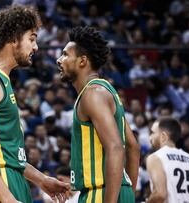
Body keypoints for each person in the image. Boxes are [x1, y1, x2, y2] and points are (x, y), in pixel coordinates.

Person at [0, 5, 70, 203]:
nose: (35, 47)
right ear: (14, 37)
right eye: (32, 39)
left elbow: (6, 154)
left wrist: (41, 180)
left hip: (7, 181)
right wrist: (7, 198)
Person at [56, 26, 140, 203]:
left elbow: (116, 147)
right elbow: (133, 147)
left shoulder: (93, 93)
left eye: (65, 54)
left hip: (101, 193)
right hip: (116, 192)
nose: (59, 60)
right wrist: (128, 193)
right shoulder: (105, 91)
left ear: (82, 61)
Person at [146, 117, 189, 203]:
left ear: (163, 136)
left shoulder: (156, 158)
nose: (150, 137)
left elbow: (160, 194)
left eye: (152, 133)